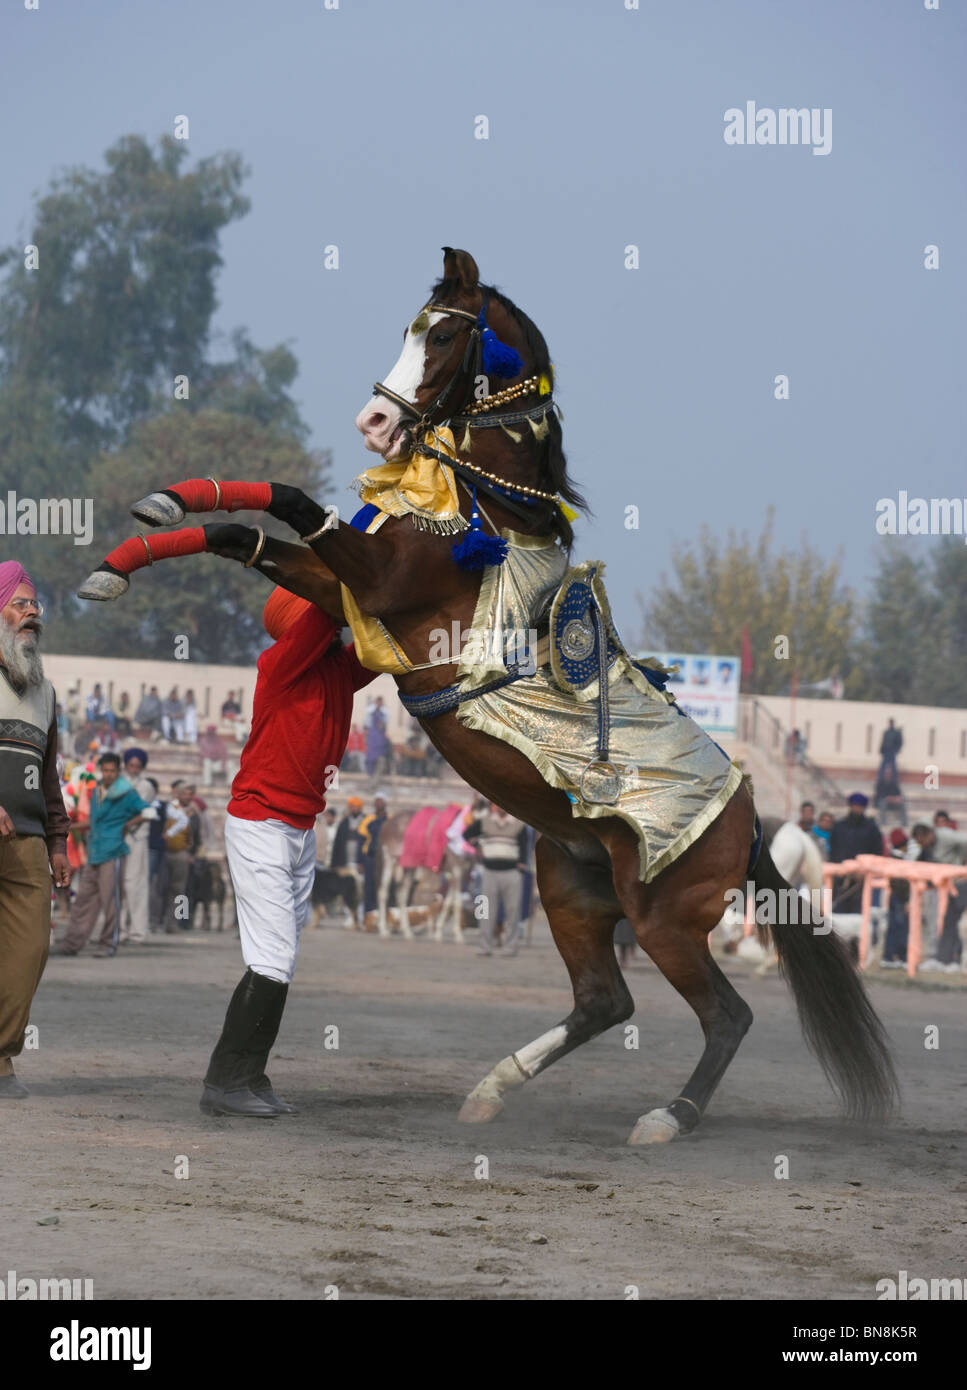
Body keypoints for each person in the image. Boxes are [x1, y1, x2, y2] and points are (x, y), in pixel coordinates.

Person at [201, 587, 375, 1118]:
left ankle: (246, 1076)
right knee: (274, 958)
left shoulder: (339, 671)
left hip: (299, 828)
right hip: (260, 824)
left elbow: (381, 645)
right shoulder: (279, 663)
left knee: (277, 958)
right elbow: (328, 609)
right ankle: (225, 1081)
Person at [0, 563, 72, 1098]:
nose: (33, 612)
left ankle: (1, 1056)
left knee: (29, 951)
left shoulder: (46, 692)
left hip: (25, 843)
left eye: (35, 604)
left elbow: (48, 775)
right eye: (21, 602)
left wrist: (58, 840)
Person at [53, 753, 147, 959]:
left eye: (112, 770)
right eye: (105, 770)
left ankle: (108, 944)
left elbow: (147, 812)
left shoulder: (127, 793)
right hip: (95, 851)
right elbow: (94, 822)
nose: (109, 774)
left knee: (110, 901)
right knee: (82, 901)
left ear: (118, 771)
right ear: (101, 771)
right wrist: (70, 826)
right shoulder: (96, 792)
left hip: (113, 852)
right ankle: (72, 943)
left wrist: (127, 825)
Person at [464, 803, 529, 956]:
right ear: (494, 806)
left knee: (513, 911)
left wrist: (521, 866)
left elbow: (524, 846)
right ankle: (484, 946)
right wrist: (478, 845)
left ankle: (510, 947)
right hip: (489, 872)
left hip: (511, 872)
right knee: (485, 911)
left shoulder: (519, 824)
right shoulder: (485, 821)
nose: (502, 806)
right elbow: (466, 834)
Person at [910, 823, 967, 971]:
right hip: (949, 885)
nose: (922, 845)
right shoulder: (929, 848)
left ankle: (955, 958)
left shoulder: (946, 836)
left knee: (955, 922)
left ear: (928, 835)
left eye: (922, 841)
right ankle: (945, 959)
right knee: (948, 921)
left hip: (961, 882)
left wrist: (963, 861)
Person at [119, 748, 155, 945]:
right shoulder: (117, 783)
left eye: (137, 766)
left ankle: (137, 932)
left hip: (137, 839)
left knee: (136, 885)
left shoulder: (146, 786)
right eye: (130, 765)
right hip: (118, 838)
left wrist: (125, 822)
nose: (133, 769)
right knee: (120, 884)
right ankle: (120, 930)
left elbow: (140, 810)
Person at [829, 793, 884, 913]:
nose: (856, 809)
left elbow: (877, 852)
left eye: (859, 807)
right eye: (854, 806)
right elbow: (834, 850)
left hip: (862, 880)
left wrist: (864, 871)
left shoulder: (871, 828)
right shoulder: (839, 827)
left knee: (860, 914)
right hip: (841, 880)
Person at [164, 781, 200, 932]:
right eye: (184, 793)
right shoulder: (169, 809)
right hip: (165, 852)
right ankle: (156, 921)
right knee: (160, 888)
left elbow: (196, 836)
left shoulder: (193, 814)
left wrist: (192, 854)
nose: (187, 796)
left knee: (180, 891)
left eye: (189, 794)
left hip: (182, 854)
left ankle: (178, 922)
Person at [881, 828, 912, 968]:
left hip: (895, 897)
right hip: (900, 898)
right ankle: (899, 956)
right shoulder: (899, 861)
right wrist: (906, 900)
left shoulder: (892, 858)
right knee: (900, 928)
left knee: (893, 927)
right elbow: (901, 884)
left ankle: (889, 956)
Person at [359, 793, 389, 914]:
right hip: (370, 858)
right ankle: (369, 914)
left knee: (384, 886)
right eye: (377, 801)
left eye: (381, 801)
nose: (379, 803)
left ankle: (383, 914)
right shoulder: (368, 820)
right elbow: (361, 840)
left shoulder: (390, 820)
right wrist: (360, 861)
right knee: (369, 887)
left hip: (385, 859)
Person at [331, 797, 366, 871]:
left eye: (357, 806)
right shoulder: (344, 823)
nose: (355, 809)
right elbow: (337, 843)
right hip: (345, 862)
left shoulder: (366, 822)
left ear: (360, 808)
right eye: (353, 806)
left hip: (361, 864)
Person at [364, 695, 390, 779]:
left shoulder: (385, 712)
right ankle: (370, 774)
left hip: (380, 739)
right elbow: (366, 724)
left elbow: (385, 724)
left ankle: (377, 776)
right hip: (372, 738)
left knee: (379, 759)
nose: (379, 703)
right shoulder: (370, 711)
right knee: (370, 759)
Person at [878, 718, 903, 785]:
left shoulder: (896, 733)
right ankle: (880, 779)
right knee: (883, 767)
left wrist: (896, 750)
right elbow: (883, 742)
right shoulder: (886, 732)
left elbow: (899, 742)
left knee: (893, 767)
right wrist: (881, 749)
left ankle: (894, 780)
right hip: (886, 751)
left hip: (892, 751)